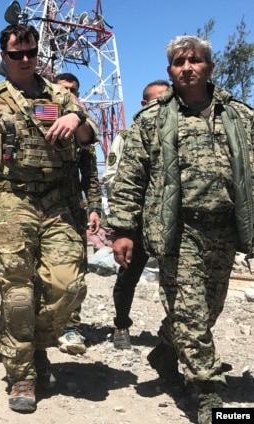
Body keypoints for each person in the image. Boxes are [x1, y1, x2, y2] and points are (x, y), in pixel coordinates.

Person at [107, 35, 254, 424]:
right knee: (190, 313)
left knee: (208, 310)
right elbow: (129, 180)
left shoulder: (240, 116)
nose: (186, 67)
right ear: (170, 70)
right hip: (178, 230)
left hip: (225, 229)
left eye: (195, 60)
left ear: (209, 66)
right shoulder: (153, 119)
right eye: (178, 62)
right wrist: (122, 228)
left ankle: (165, 352)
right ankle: (208, 393)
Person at [0, 24, 97, 413]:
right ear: (4, 56)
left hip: (58, 203)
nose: (23, 60)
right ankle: (22, 374)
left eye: (30, 53)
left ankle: (36, 347)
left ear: (38, 55)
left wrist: (77, 121)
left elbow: (89, 137)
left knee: (67, 286)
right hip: (9, 199)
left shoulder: (60, 96)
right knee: (18, 293)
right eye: (15, 54)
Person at [104, 79, 169, 350]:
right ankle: (121, 325)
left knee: (177, 281)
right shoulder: (128, 137)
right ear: (144, 104)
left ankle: (174, 336)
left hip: (171, 222)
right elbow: (111, 175)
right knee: (128, 275)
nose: (161, 106)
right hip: (138, 220)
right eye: (155, 101)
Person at [53, 72, 103, 355]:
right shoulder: (38, 115)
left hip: (72, 209)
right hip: (37, 207)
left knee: (75, 270)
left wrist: (95, 207)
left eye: (73, 90)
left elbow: (91, 173)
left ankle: (71, 326)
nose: (69, 94)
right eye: (63, 89)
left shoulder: (84, 127)